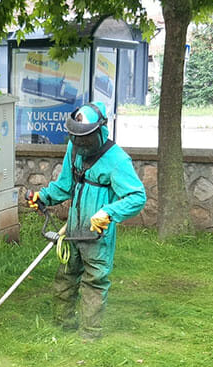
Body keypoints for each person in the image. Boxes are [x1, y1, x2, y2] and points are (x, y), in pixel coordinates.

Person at [27, 101, 147, 339]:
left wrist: (109, 213)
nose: (80, 144)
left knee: (94, 281)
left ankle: (90, 333)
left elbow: (137, 196)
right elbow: (65, 185)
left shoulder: (117, 160)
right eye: (76, 138)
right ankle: (63, 324)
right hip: (72, 230)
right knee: (65, 276)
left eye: (85, 139)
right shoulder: (74, 150)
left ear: (99, 131)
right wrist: (44, 196)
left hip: (97, 233)